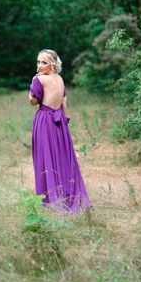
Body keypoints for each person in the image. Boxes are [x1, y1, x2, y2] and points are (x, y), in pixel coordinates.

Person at [28, 49, 92, 213]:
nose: (40, 66)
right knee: (62, 159)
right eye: (38, 62)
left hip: (45, 121)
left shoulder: (39, 79)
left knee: (45, 158)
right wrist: (64, 125)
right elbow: (64, 105)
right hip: (59, 122)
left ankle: (50, 200)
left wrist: (33, 83)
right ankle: (65, 196)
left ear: (52, 64)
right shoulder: (60, 79)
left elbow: (33, 101)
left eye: (44, 62)